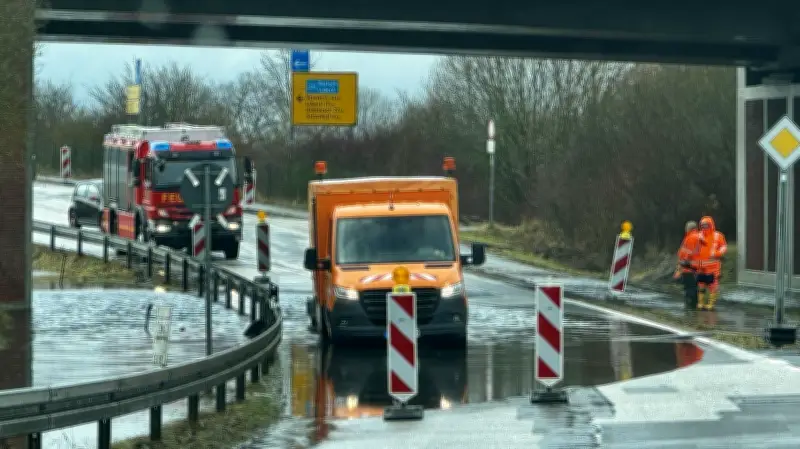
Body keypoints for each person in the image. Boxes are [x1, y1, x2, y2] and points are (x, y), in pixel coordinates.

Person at [695, 216, 728, 310]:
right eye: (703, 225)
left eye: (706, 225)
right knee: (701, 285)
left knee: (713, 286)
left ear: (711, 225)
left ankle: (711, 304)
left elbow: (724, 247)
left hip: (713, 267)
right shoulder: (698, 236)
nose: (705, 227)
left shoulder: (718, 235)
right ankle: (701, 303)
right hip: (700, 267)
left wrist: (717, 253)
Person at [674, 220, 701, 307]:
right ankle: (697, 307)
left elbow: (684, 256)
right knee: (697, 290)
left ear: (689, 229)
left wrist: (679, 271)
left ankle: (690, 312)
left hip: (689, 270)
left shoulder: (689, 238)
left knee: (690, 291)